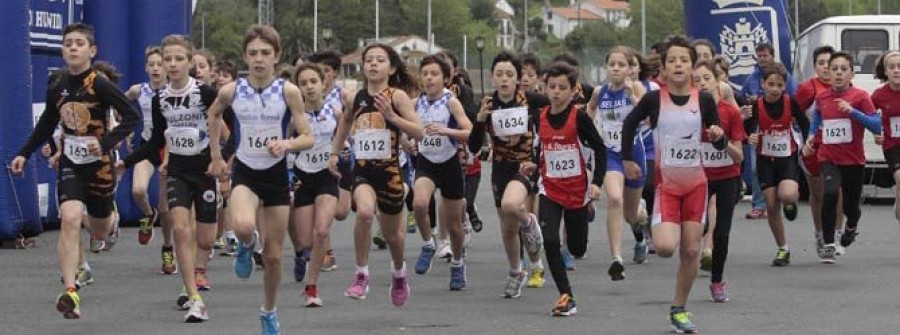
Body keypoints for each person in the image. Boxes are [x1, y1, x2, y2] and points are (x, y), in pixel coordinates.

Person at [11, 23, 139, 319]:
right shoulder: (57, 84)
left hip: (100, 166)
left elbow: (131, 117)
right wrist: (24, 153)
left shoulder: (101, 85)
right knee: (69, 218)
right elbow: (46, 124)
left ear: (91, 51)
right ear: (62, 50)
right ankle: (70, 290)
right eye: (68, 43)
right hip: (70, 163)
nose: (73, 47)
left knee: (98, 231)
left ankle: (111, 222)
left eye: (79, 43)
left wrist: (105, 143)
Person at [207, 24, 314, 334]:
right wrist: (215, 155)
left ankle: (268, 310)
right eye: (252, 53)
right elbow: (213, 115)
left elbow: (306, 136)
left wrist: (287, 144)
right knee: (241, 225)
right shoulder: (231, 90)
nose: (258, 59)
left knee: (274, 256)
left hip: (277, 175)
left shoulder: (288, 91)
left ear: (276, 57)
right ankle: (245, 243)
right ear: (245, 56)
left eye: (265, 53)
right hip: (246, 171)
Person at [621, 34, 726, 334]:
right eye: (672, 60)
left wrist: (718, 136)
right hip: (667, 185)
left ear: (693, 67)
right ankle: (646, 224)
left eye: (684, 60)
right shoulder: (654, 99)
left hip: (695, 186)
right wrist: (628, 159)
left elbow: (719, 143)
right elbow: (629, 124)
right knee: (667, 247)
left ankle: (679, 308)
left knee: (691, 251)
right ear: (663, 70)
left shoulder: (704, 99)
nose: (678, 64)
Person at [119, 34, 221, 322]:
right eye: (168, 59)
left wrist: (221, 158)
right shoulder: (160, 98)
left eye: (179, 59)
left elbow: (229, 129)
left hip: (204, 172)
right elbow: (153, 143)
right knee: (179, 228)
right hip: (176, 170)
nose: (173, 64)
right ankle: (194, 297)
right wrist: (125, 163)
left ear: (190, 62)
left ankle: (209, 265)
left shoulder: (206, 93)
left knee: (205, 239)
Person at [325, 43, 424, 307]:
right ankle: (361, 274)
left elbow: (419, 132)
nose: (373, 64)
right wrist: (334, 153)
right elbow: (345, 122)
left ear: (391, 68)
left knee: (394, 237)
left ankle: (399, 273)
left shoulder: (397, 97)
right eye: (369, 60)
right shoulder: (356, 98)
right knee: (366, 212)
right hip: (363, 171)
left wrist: (392, 116)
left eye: (380, 60)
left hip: (391, 173)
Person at [520, 62, 606, 316]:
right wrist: (533, 165)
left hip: (577, 191)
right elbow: (539, 150)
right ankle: (565, 296)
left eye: (562, 88)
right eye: (552, 87)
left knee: (577, 248)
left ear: (573, 91)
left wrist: (597, 183)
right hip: (550, 189)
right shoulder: (539, 117)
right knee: (550, 240)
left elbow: (600, 149)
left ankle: (586, 213)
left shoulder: (579, 118)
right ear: (545, 88)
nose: (556, 92)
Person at [467, 51, 547, 299]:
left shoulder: (532, 101)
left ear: (518, 78)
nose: (504, 79)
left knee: (512, 204)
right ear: (492, 77)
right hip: (500, 169)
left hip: (524, 166)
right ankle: (517, 271)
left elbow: (555, 114)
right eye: (499, 74)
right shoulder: (488, 104)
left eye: (510, 74)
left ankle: (529, 224)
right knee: (508, 227)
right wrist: (480, 121)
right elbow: (472, 146)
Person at [803, 51, 881, 263]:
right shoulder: (822, 98)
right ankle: (828, 243)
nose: (838, 73)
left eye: (843, 69)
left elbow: (876, 125)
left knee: (850, 207)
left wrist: (853, 112)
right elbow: (817, 120)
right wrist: (811, 138)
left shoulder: (860, 97)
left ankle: (851, 226)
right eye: (834, 69)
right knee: (829, 194)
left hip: (854, 160)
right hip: (828, 157)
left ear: (851, 74)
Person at [410, 55, 473, 291]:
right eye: (425, 73)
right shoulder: (415, 103)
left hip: (449, 164)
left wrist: (445, 131)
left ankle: (458, 263)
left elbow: (469, 131)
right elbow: (408, 131)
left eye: (434, 74)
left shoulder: (451, 102)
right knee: (419, 204)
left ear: (445, 78)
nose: (429, 78)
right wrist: (408, 142)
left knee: (455, 226)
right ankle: (428, 244)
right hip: (426, 163)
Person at [586, 46, 648, 280]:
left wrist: (632, 95)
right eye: (612, 64)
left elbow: (649, 117)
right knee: (614, 199)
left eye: (621, 65)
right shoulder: (599, 92)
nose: (615, 68)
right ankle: (617, 258)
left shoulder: (637, 88)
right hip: (610, 153)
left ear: (630, 69)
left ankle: (640, 232)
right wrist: (588, 133)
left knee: (632, 215)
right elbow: (589, 111)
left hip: (634, 154)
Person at [744, 62, 809, 267]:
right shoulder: (756, 105)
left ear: (784, 86)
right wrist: (749, 137)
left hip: (787, 157)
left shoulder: (791, 102)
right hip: (765, 160)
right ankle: (783, 248)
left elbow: (805, 123)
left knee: (787, 194)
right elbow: (746, 129)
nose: (774, 88)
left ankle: (791, 202)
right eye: (770, 83)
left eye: (779, 85)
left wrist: (807, 144)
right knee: (771, 206)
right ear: (763, 84)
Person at [692, 59, 745, 302]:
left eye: (706, 78)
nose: (702, 83)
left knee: (722, 234)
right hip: (699, 178)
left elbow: (739, 156)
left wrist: (722, 142)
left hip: (727, 178)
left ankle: (716, 280)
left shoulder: (730, 112)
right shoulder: (690, 112)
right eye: (697, 80)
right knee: (696, 227)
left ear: (718, 81)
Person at [290, 63, 342, 307]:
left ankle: (311, 287)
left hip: (327, 177)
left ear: (323, 84)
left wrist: (344, 155)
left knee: (321, 231)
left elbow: (347, 138)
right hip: (303, 178)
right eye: (303, 83)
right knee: (306, 241)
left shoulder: (335, 112)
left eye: (313, 81)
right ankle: (301, 255)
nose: (309, 87)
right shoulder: (293, 119)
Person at [123, 46, 176, 274]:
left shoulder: (174, 93)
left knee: (165, 208)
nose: (155, 69)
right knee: (137, 190)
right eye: (151, 65)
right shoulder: (139, 90)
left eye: (159, 64)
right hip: (147, 146)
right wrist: (124, 131)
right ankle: (147, 213)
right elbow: (120, 106)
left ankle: (167, 248)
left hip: (168, 150)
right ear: (146, 67)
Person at [796, 46, 846, 252]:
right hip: (813, 149)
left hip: (838, 149)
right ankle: (819, 233)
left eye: (829, 64)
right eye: (821, 63)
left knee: (838, 192)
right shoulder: (808, 89)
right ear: (815, 67)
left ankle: (835, 233)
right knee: (818, 194)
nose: (826, 68)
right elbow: (794, 114)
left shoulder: (845, 87)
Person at [874, 51, 900, 222]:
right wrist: (876, 132)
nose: (896, 70)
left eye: (899, 67)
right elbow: (869, 115)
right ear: (885, 71)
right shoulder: (878, 95)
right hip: (892, 145)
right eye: (892, 67)